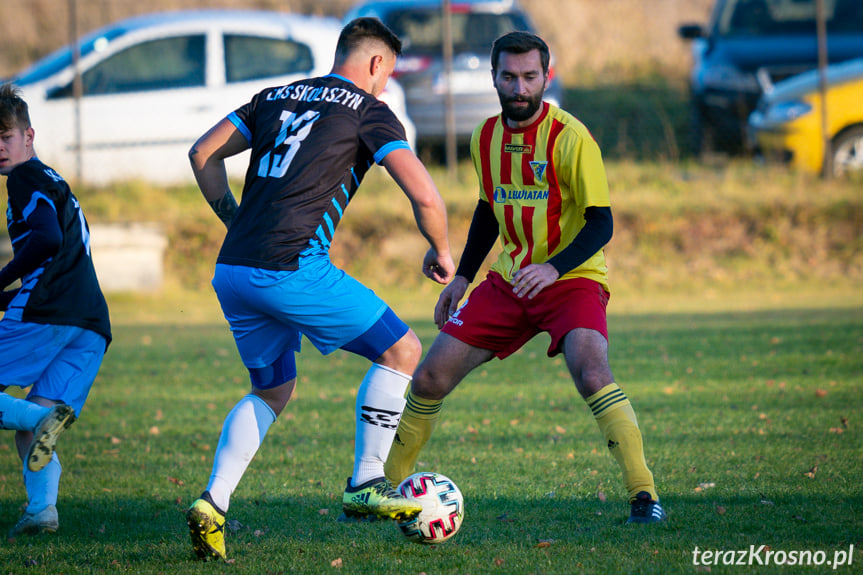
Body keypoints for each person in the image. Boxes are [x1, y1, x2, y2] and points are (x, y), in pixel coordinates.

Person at [185, 17, 454, 561]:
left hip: (233, 269)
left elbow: (202, 154)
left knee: (272, 390)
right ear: (377, 64)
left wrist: (234, 220)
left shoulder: (275, 96)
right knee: (402, 349)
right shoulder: (370, 110)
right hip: (292, 267)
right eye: (386, 75)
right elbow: (425, 195)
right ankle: (367, 482)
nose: (383, 86)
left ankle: (212, 502)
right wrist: (442, 251)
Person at [384, 32, 666, 524]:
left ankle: (645, 497)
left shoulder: (572, 138)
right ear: (494, 77)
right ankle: (385, 492)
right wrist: (463, 278)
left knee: (592, 371)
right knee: (429, 377)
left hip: (572, 278)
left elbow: (602, 222)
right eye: (509, 76)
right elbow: (489, 211)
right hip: (510, 281)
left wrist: (553, 267)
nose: (520, 87)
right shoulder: (484, 137)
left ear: (546, 78)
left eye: (530, 77)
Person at [0, 83, 111, 538]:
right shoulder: (53, 179)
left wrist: (2, 281)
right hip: (91, 324)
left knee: (32, 417)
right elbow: (60, 252)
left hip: (49, 310)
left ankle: (39, 418)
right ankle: (42, 510)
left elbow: (48, 238)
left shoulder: (24, 178)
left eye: (4, 136)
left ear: (28, 136)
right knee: (33, 429)